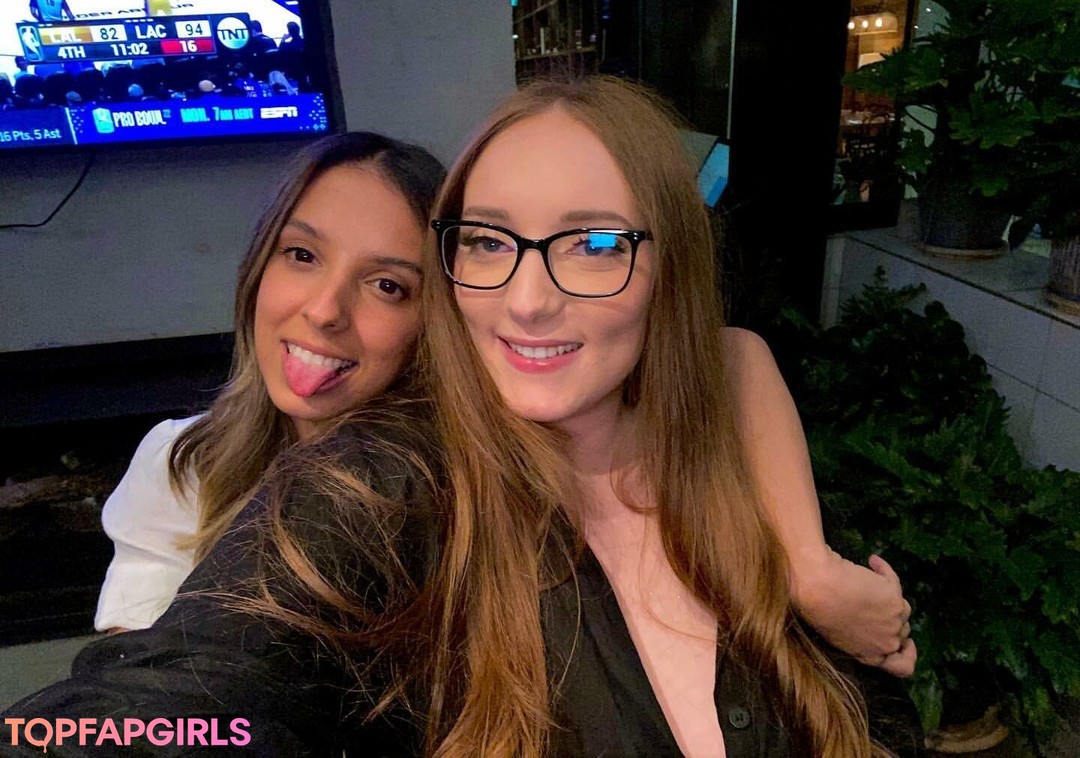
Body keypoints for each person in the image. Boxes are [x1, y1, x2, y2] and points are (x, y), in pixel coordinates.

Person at [2, 77, 912, 756]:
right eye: (486, 241)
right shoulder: (379, 484)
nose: (527, 300)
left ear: (670, 266)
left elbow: (730, 353)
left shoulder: (719, 452)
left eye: (594, 243)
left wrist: (808, 567)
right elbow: (181, 697)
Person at [93, 130, 446, 632]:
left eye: (387, 286)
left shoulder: (467, 493)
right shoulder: (184, 461)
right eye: (302, 255)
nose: (324, 311)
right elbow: (140, 663)